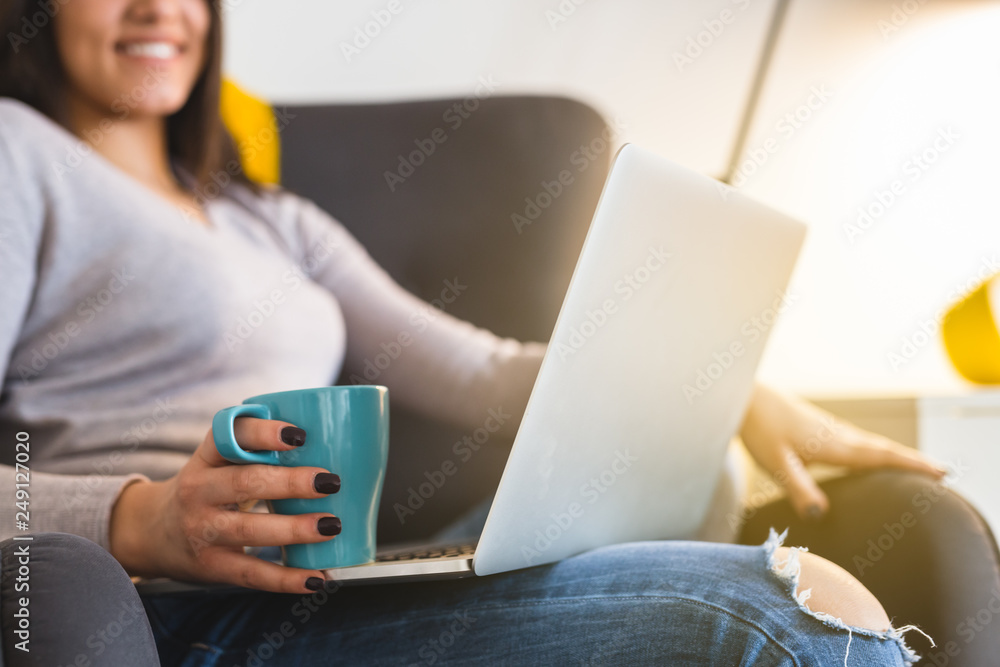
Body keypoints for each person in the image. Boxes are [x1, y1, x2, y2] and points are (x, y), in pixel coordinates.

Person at [0, 1, 992, 665]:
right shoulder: (18, 154)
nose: (157, 7)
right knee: (794, 609)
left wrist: (734, 391)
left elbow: (482, 371)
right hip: (166, 611)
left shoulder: (269, 218)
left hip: (326, 583)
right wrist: (142, 518)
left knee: (717, 487)